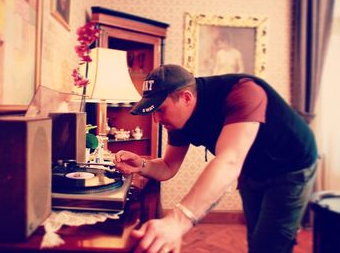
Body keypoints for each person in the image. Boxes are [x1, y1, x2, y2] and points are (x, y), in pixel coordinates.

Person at [113, 64, 317, 253]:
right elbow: (168, 167)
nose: (157, 120)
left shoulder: (244, 92)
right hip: (252, 169)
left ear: (185, 98)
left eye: (161, 110)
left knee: (271, 243)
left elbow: (229, 161)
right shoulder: (177, 120)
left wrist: (177, 220)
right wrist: (141, 165)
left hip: (291, 166)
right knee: (256, 238)